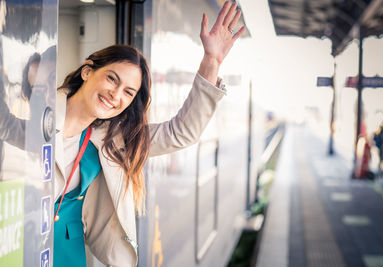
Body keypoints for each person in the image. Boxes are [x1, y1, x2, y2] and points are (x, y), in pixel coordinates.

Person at [54, 1, 245, 266]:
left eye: (128, 93)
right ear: (88, 71)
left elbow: (181, 132)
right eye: (112, 78)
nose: (116, 95)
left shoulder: (114, 138)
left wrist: (211, 61)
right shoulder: (36, 117)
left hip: (66, 251)